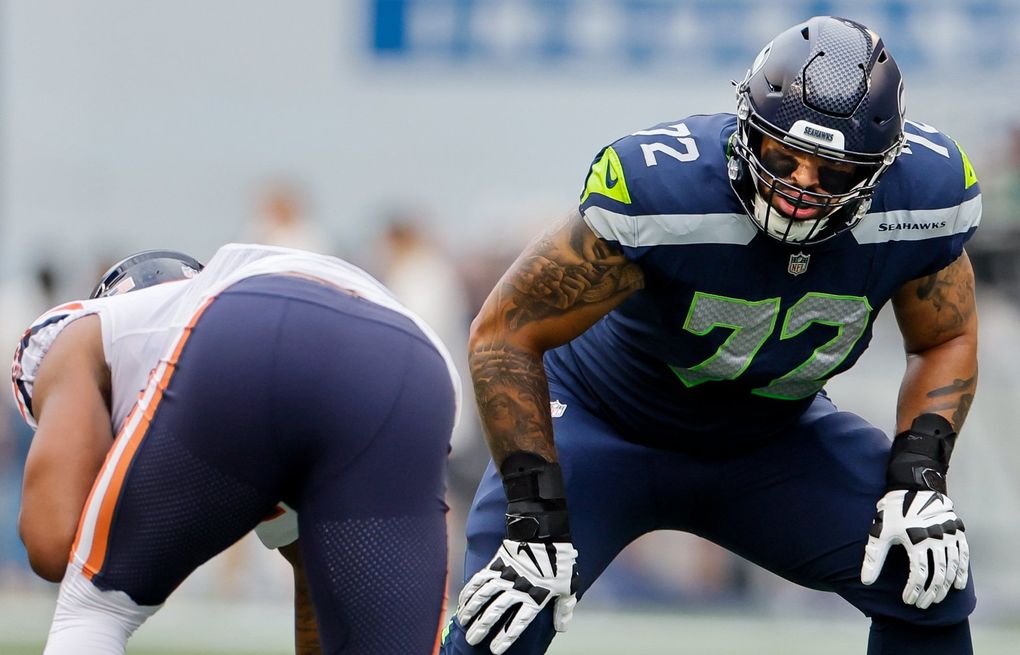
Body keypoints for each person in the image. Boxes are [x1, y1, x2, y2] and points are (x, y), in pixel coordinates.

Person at [441, 16, 979, 655]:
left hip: (776, 440)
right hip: (601, 425)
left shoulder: (924, 198)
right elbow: (505, 331)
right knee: (505, 614)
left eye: (834, 173)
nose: (801, 187)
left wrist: (920, 474)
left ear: (882, 166)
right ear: (748, 129)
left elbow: (944, 338)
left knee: (928, 575)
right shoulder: (662, 190)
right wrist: (532, 509)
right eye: (784, 157)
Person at [13, 243, 461, 654]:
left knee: (94, 609)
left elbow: (51, 545)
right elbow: (314, 585)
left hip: (250, 324)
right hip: (418, 364)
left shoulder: (89, 332)